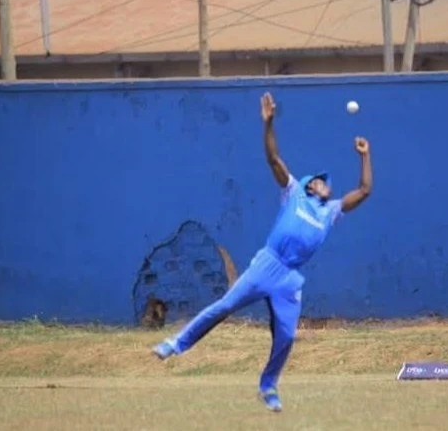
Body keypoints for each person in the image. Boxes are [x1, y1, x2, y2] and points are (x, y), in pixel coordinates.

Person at [151, 91, 373, 412]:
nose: (327, 184)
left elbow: (365, 190)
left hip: (289, 278)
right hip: (268, 262)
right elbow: (274, 159)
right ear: (311, 184)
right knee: (225, 305)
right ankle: (175, 344)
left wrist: (365, 155)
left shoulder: (331, 211)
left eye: (328, 182)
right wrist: (268, 124)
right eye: (322, 181)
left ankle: (268, 386)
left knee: (286, 335)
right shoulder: (294, 191)